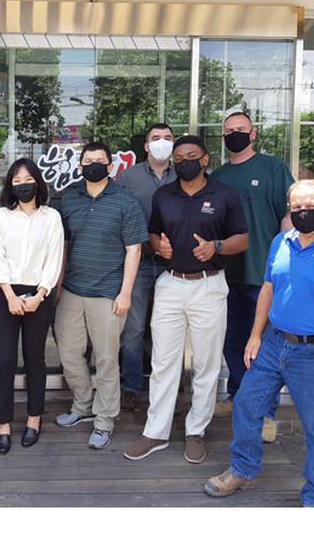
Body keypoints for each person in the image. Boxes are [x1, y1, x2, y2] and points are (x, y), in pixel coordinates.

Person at [204, 179, 314, 507]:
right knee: (246, 404)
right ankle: (243, 468)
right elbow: (268, 289)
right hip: (273, 344)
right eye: (296, 208)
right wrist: (255, 335)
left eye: (310, 207)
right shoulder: (282, 241)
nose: (303, 213)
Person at [123, 135, 248, 465]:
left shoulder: (224, 194)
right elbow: (152, 233)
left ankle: (196, 430)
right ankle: (156, 431)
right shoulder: (165, 194)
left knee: (206, 363)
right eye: (178, 157)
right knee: (164, 361)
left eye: (191, 156)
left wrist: (216, 247)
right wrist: (157, 245)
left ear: (205, 160)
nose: (183, 161)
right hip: (171, 284)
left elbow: (242, 238)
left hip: (209, 285)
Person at [53, 142, 148, 450]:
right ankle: (82, 406)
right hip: (71, 290)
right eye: (88, 160)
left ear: (110, 166)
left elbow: (134, 249)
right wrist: (56, 287)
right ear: (80, 166)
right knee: (68, 354)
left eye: (99, 160)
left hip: (108, 293)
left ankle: (104, 419)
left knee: (106, 360)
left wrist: (125, 293)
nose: (93, 165)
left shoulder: (125, 202)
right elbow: (63, 246)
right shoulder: (68, 199)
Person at [212, 111, 294, 444]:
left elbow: (289, 217)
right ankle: (238, 397)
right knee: (232, 342)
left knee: (262, 347)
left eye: (240, 130)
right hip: (224, 275)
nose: (235, 134)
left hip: (263, 275)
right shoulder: (217, 177)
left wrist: (285, 263)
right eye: (229, 131)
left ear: (253, 133)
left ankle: (265, 413)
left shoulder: (272, 169)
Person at [0, 158, 64, 454]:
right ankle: (4, 425)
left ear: (38, 182)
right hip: (5, 293)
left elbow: (54, 258)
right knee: (5, 361)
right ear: (11, 185)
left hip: (39, 295)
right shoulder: (2, 218)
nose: (23, 185)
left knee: (35, 359)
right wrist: (9, 295)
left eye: (28, 179)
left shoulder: (52, 217)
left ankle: (34, 419)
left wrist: (40, 294)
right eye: (17, 181)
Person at [115, 123, 178, 412]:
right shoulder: (128, 177)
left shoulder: (186, 175)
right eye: (156, 138)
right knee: (134, 329)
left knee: (168, 330)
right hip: (138, 263)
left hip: (174, 264)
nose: (162, 142)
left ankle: (166, 389)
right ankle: (131, 386)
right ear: (146, 145)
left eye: (167, 138)